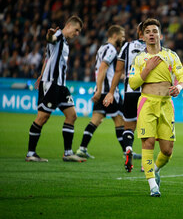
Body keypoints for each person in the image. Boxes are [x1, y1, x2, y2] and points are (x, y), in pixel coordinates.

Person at [129, 18, 183, 197]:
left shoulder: (171, 55)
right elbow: (133, 83)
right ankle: (152, 185)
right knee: (147, 143)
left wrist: (178, 87)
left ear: (160, 35)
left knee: (167, 150)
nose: (151, 34)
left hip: (166, 105)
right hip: (147, 103)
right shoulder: (139, 59)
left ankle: (155, 169)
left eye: (154, 31)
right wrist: (147, 69)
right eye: (147, 32)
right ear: (143, 37)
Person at [25, 15, 85, 162]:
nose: (77, 34)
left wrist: (40, 74)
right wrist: (49, 34)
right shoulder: (58, 35)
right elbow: (50, 39)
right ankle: (31, 153)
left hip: (61, 85)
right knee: (42, 117)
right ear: (69, 25)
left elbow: (48, 57)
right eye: (76, 30)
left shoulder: (65, 42)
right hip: (51, 83)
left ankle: (68, 153)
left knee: (72, 115)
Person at [76, 25, 126, 160]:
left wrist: (98, 89)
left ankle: (82, 148)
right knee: (120, 121)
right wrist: (99, 89)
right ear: (115, 36)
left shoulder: (101, 48)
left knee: (96, 120)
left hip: (101, 90)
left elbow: (102, 69)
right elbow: (103, 67)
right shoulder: (111, 50)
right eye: (122, 35)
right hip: (109, 92)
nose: (124, 38)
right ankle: (127, 151)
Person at [104, 22, 146, 172]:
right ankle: (145, 163)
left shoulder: (127, 47)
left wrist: (110, 92)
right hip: (147, 93)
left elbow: (117, 71)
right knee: (147, 128)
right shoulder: (154, 47)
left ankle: (128, 147)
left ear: (138, 32)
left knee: (129, 127)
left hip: (129, 92)